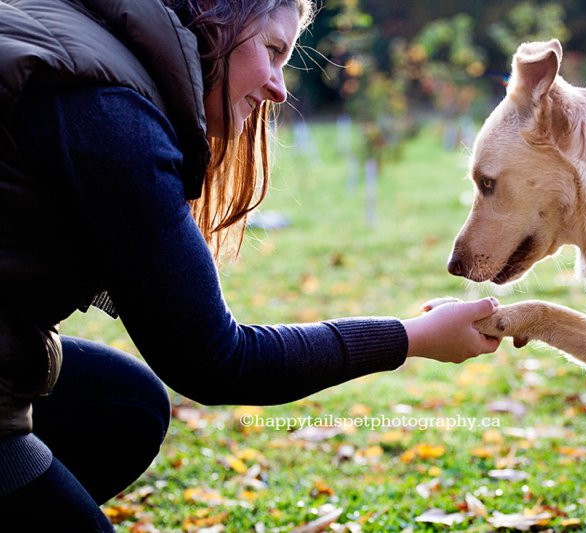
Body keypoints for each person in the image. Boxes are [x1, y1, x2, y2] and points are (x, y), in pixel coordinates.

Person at [0, 0, 501, 530]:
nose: (280, 89)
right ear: (216, 22)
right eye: (273, 51)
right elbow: (217, 360)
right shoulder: (107, 113)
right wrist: (414, 336)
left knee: (126, 405)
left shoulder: (72, 48)